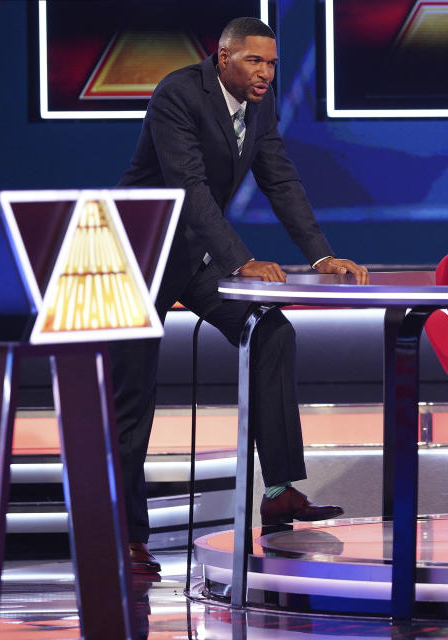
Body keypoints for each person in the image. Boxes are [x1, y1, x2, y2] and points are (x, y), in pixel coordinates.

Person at [112, 17, 369, 573]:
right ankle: (125, 538)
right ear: (223, 56)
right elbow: (189, 187)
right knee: (132, 401)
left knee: (271, 330)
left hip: (192, 254)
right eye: (256, 61)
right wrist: (239, 260)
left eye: (273, 64)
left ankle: (278, 488)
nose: (267, 73)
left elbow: (280, 178)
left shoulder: (259, 105)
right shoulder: (177, 94)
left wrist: (321, 255)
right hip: (137, 255)